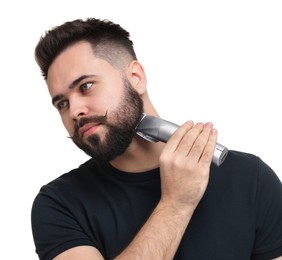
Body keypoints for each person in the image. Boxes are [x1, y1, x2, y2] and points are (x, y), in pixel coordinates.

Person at [31, 18, 282, 260]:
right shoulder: (59, 205)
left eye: (85, 86)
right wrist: (176, 203)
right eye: (62, 103)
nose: (74, 111)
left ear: (136, 78)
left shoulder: (250, 179)